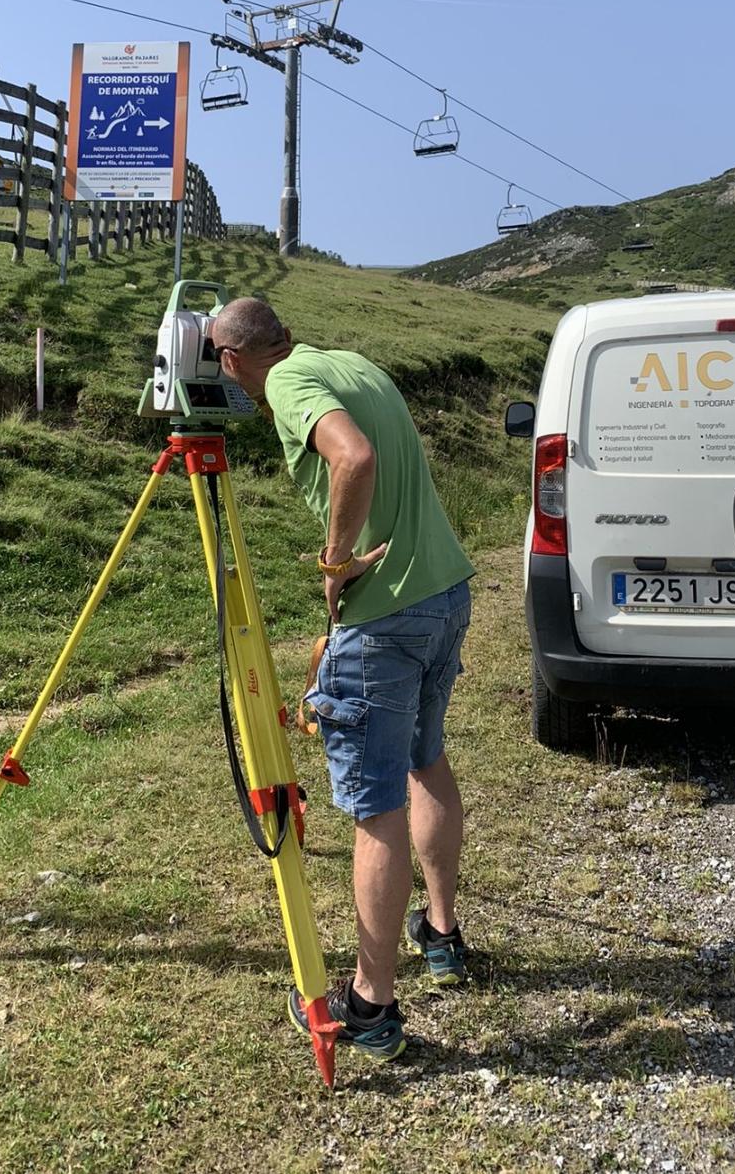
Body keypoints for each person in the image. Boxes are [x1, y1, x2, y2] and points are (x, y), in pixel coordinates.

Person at [211, 297, 474, 1061]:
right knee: (426, 758)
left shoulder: (287, 381)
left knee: (376, 806)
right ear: (287, 335)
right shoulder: (349, 364)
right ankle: (442, 933)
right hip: (443, 595)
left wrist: (335, 561)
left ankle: (370, 1004)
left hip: (385, 617)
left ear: (230, 361)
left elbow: (352, 457)